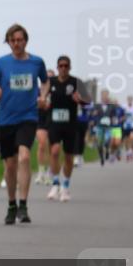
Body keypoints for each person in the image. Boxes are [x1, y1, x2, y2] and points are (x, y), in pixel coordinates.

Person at [0, 24, 49, 225]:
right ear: (8, 42)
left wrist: (43, 96)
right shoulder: (1, 63)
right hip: (5, 120)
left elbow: (45, 82)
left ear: (25, 41)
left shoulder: (37, 62)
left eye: (20, 40)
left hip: (28, 117)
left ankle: (24, 204)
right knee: (10, 165)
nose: (16, 44)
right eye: (12, 40)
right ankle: (11, 205)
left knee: (24, 157)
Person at [46, 56, 85, 202]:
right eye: (60, 66)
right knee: (55, 151)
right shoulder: (51, 82)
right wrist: (43, 102)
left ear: (70, 67)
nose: (63, 68)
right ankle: (55, 183)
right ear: (57, 67)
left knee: (68, 157)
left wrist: (79, 99)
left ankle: (66, 186)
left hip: (70, 124)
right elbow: (42, 97)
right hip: (54, 122)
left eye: (66, 66)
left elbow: (87, 102)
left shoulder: (75, 82)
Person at [34, 70, 55, 185]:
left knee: (52, 147)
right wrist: (40, 103)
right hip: (40, 119)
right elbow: (31, 103)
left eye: (51, 78)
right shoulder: (37, 91)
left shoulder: (56, 91)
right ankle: (41, 172)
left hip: (53, 120)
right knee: (42, 143)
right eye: (47, 78)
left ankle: (50, 172)